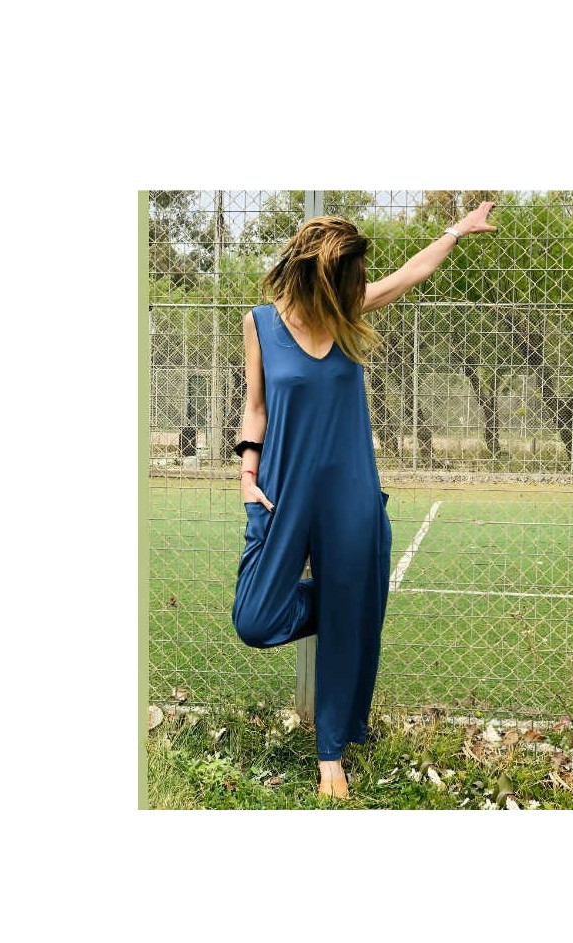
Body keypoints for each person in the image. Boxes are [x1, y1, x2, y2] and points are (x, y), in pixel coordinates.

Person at [231, 200, 497, 799]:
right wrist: (247, 472)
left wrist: (456, 230)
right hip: (281, 490)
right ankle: (350, 603)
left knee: (348, 615)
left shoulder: (347, 311)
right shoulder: (260, 323)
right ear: (318, 272)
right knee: (255, 619)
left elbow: (410, 274)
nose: (358, 285)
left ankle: (332, 753)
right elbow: (256, 407)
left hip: (350, 491)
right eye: (349, 275)